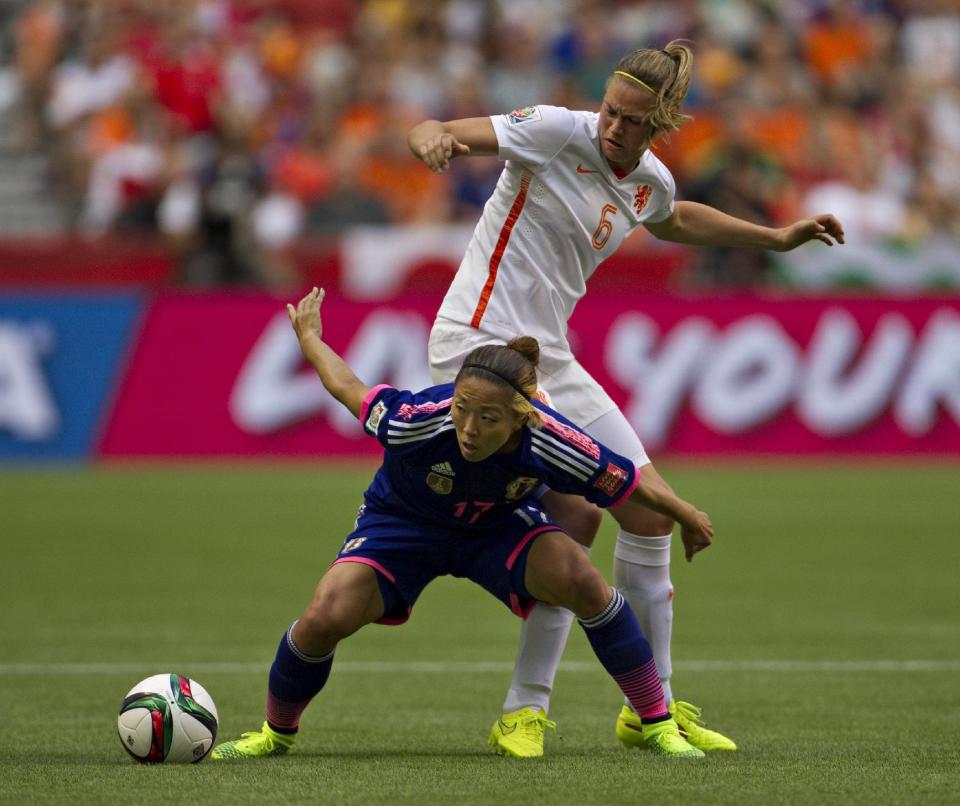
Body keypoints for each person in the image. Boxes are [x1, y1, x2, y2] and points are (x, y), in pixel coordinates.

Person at [407, 40, 845, 757]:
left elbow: (673, 218)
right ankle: (526, 708)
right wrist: (432, 137)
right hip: (477, 341)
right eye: (610, 111)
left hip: (549, 355)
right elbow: (453, 132)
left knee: (645, 513)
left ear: (659, 123)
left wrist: (775, 236)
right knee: (576, 512)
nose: (613, 127)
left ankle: (651, 711)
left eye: (632, 120)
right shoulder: (555, 129)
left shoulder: (648, 181)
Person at [211, 287, 715, 761]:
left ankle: (656, 722)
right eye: (462, 409)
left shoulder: (552, 439)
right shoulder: (417, 418)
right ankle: (275, 733)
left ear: (523, 418)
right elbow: (347, 387)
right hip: (404, 526)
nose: (469, 429)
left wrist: (684, 512)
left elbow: (625, 480)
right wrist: (310, 339)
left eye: (488, 418)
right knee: (324, 615)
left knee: (583, 582)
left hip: (495, 529)